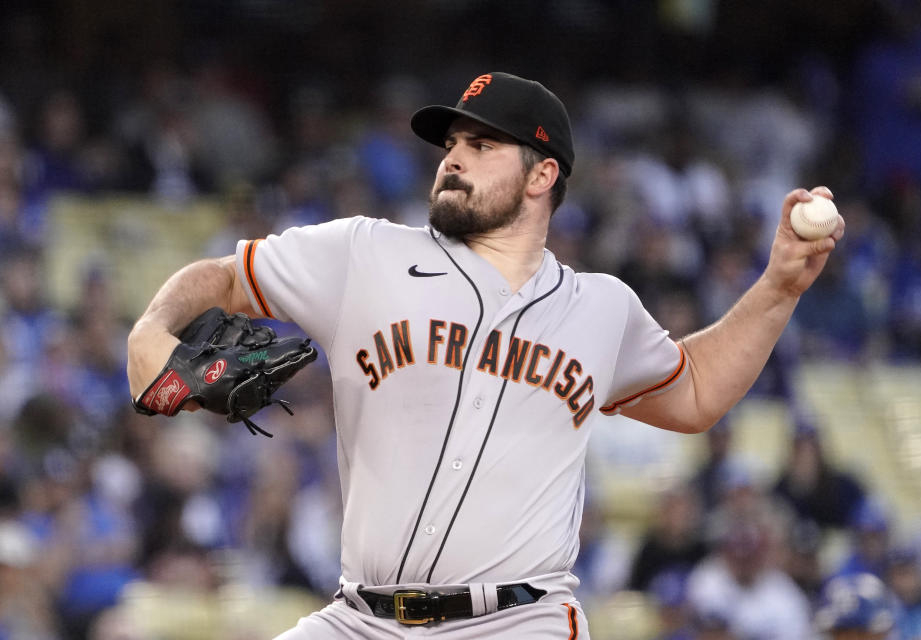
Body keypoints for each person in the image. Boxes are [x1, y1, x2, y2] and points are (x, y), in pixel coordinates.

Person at [126, 71, 844, 638]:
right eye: (451, 146)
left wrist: (779, 286)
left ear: (541, 176)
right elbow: (222, 276)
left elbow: (694, 394)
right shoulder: (365, 253)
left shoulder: (601, 307)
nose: (454, 159)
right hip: (360, 620)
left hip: (518, 622)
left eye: (482, 145)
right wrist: (152, 334)